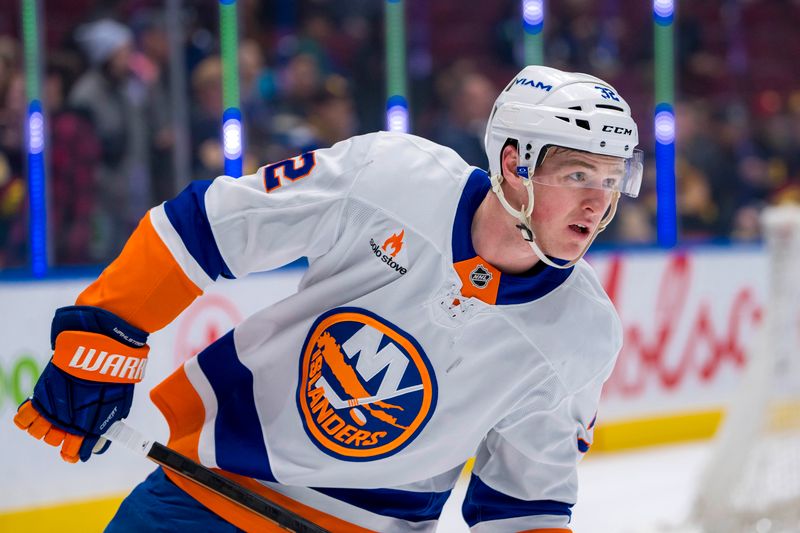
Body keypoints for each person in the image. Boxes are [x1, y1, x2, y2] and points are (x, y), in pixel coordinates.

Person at [14, 65, 643, 532]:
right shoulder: (392, 179)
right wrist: (104, 332)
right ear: (515, 163)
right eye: (578, 176)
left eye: (613, 180)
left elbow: (524, 502)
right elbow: (210, 225)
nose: (599, 204)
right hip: (207, 495)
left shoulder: (580, 331)